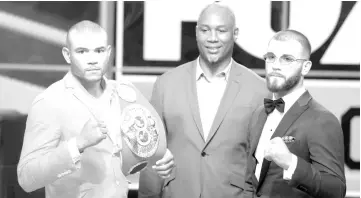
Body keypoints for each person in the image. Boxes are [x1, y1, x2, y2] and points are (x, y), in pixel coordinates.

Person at [17, 20, 174, 198]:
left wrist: (160, 155)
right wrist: (77, 145)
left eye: (98, 51)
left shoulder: (123, 92)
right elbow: (26, 178)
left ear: (108, 53)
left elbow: (138, 144)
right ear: (67, 55)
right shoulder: (49, 102)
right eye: (82, 51)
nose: (92, 60)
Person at [138, 2, 268, 198]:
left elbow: (265, 161)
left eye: (221, 30)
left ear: (235, 34)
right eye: (205, 30)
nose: (213, 38)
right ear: (196, 32)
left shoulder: (259, 89)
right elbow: (151, 152)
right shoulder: (166, 84)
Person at [243, 30, 346, 198]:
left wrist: (291, 162)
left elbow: (336, 190)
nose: (275, 65)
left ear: (305, 67)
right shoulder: (259, 113)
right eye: (271, 57)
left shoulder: (322, 120)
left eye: (287, 59)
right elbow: (251, 179)